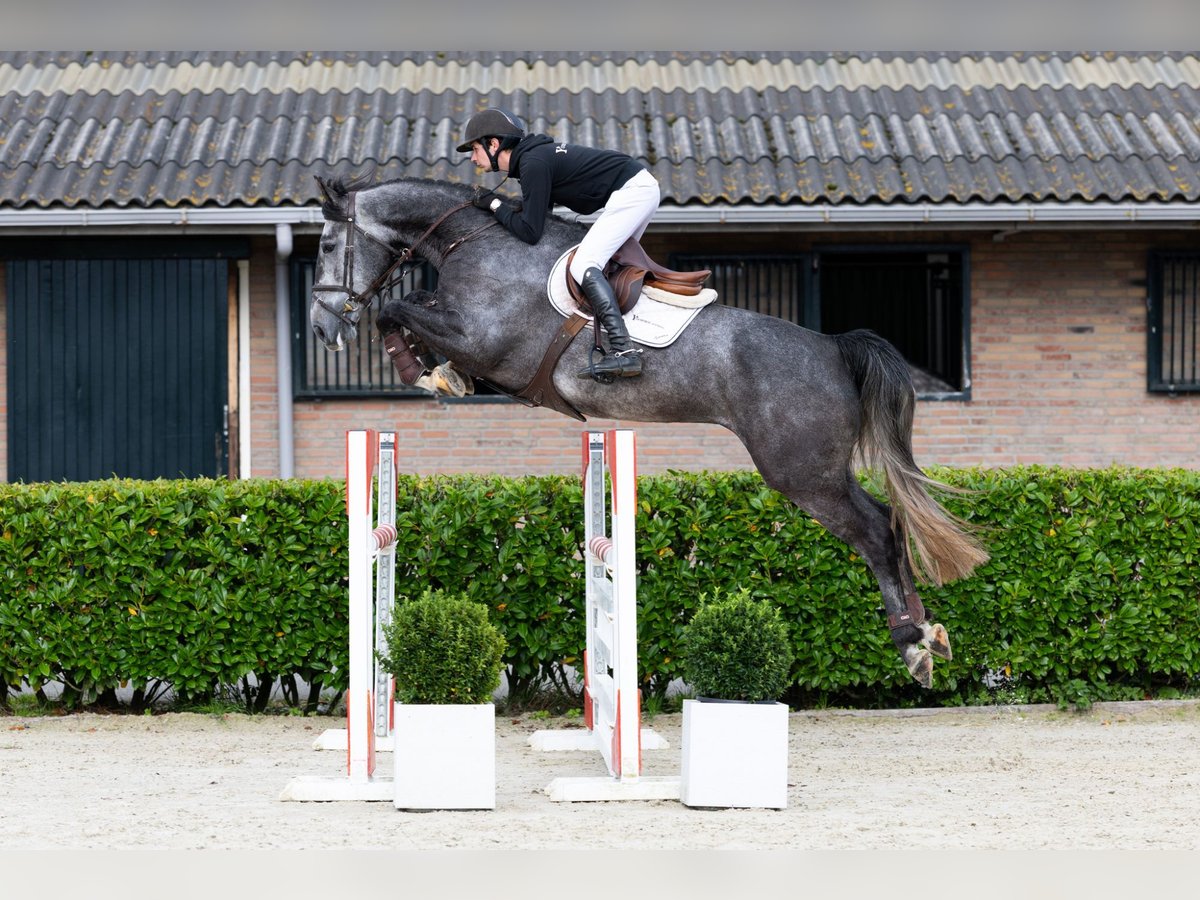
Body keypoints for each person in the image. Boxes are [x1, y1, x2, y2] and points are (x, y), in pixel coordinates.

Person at [456, 107, 659, 380]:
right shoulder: (533, 160)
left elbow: (530, 232)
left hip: (633, 192)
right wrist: (501, 208)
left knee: (585, 264)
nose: (472, 158)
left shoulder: (533, 163)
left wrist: (493, 204)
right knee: (611, 268)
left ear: (493, 144)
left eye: (474, 149)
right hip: (638, 188)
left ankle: (625, 352)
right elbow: (540, 221)